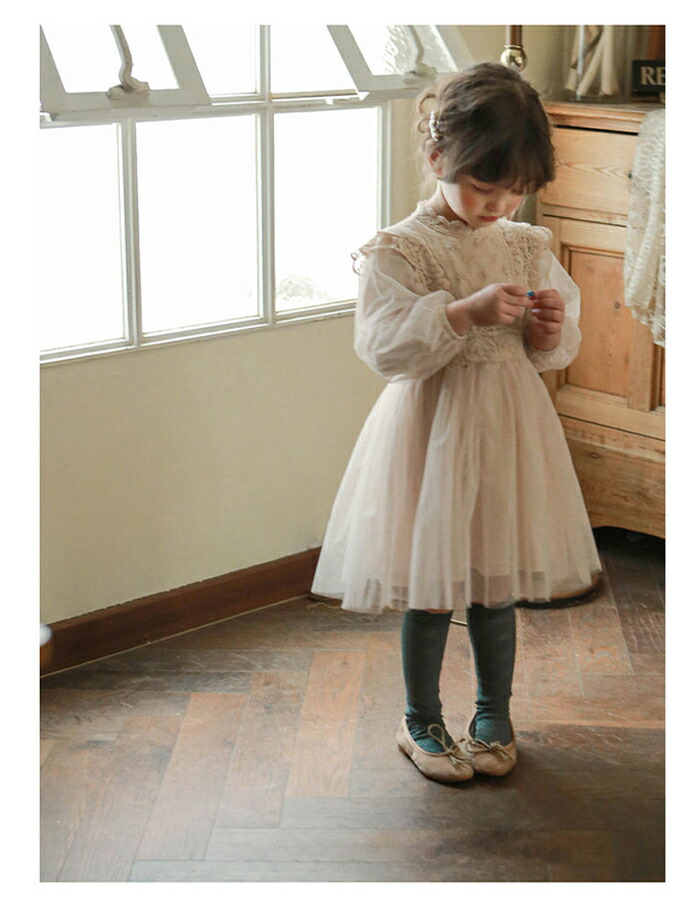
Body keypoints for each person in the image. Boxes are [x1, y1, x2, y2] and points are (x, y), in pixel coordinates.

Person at [311, 62, 602, 783]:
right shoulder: (400, 248)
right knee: (434, 581)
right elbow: (384, 347)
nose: (498, 203)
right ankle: (420, 720)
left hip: (507, 427)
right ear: (439, 156)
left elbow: (550, 347)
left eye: (515, 190)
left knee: (494, 577)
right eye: (483, 185)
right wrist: (462, 313)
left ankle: (493, 712)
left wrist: (547, 326)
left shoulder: (525, 243)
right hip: (432, 431)